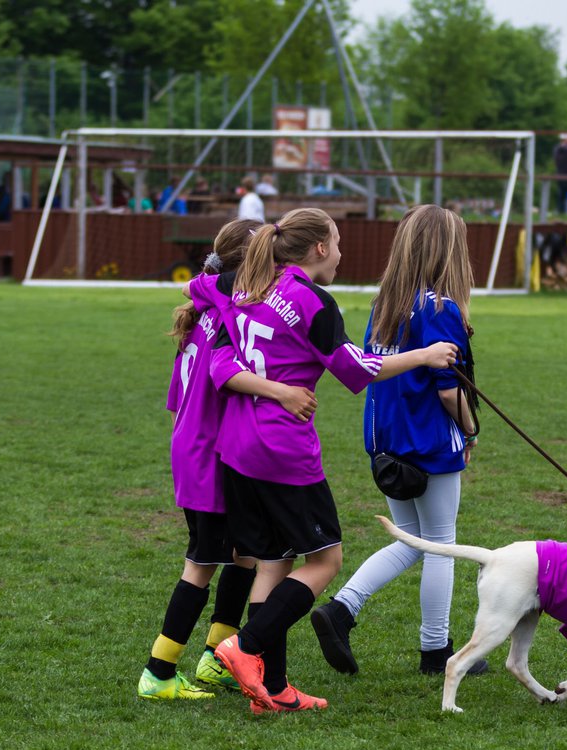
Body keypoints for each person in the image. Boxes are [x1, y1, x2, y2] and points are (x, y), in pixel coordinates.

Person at [195, 208, 459, 714]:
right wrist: (425, 355)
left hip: (235, 447)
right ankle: (244, 647)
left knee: (274, 561)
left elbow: (213, 333)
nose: (341, 253)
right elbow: (356, 369)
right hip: (282, 451)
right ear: (319, 249)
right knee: (326, 560)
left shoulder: (249, 286)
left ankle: (271, 688)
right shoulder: (312, 299)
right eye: (337, 243)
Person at [139, 219, 319, 700]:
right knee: (203, 562)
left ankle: (217, 656)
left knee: (244, 555)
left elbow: (178, 399)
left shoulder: (209, 313)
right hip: (209, 456)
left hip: (199, 448)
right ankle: (158, 672)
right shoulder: (227, 316)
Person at [310, 205, 489, 677]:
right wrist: (471, 430)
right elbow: (449, 390)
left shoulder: (383, 306)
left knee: (413, 541)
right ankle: (437, 652)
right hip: (429, 445)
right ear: (449, 252)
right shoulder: (440, 308)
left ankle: (342, 609)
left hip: (387, 444)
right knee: (441, 544)